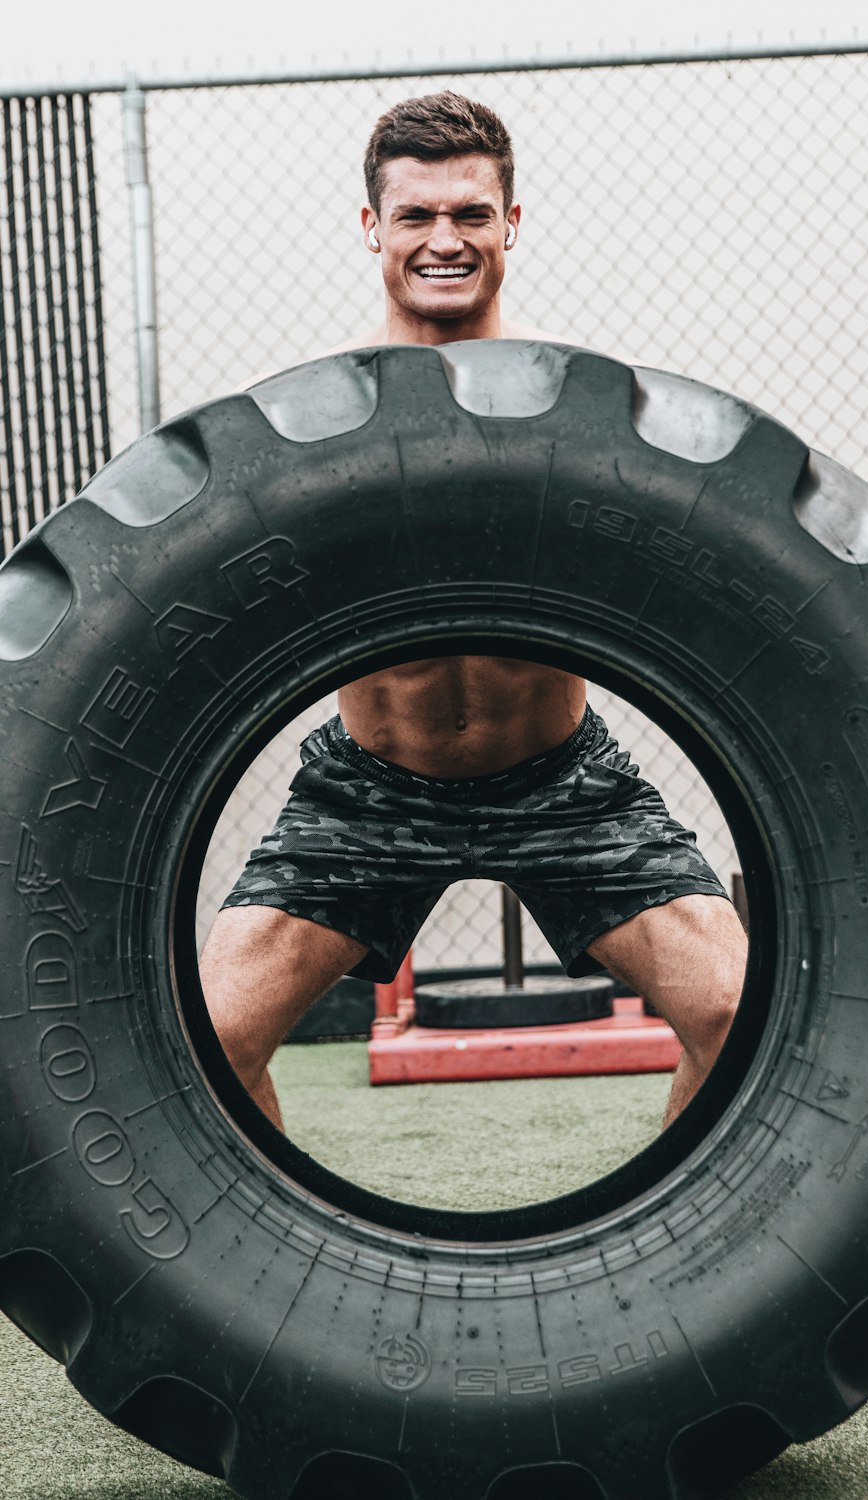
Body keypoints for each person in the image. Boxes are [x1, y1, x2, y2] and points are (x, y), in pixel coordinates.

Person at [201, 91, 747, 1134]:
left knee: (736, 1010)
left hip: (560, 779)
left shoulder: (583, 406)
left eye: (469, 214)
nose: (443, 240)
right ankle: (284, 1285)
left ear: (511, 223)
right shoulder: (305, 415)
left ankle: (676, 1263)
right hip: (368, 785)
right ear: (372, 227)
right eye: (415, 216)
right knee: (210, 1038)